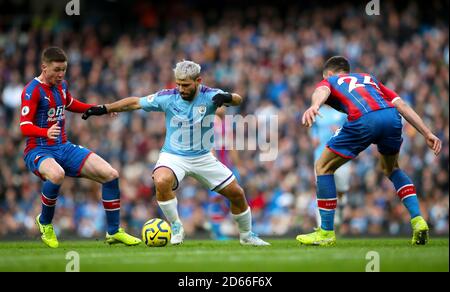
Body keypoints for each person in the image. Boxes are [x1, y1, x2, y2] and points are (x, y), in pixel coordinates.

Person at [82, 60, 270, 246]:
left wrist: (227, 97)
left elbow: (238, 99)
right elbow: (135, 103)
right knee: (161, 180)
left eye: (186, 84)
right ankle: (176, 226)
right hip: (174, 156)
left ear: (198, 80)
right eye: (178, 84)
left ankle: (247, 236)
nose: (181, 88)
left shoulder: (211, 95)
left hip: (203, 157)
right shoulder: (168, 97)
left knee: (237, 193)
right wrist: (104, 108)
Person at [298, 56, 442, 246]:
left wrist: (315, 105)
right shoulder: (369, 78)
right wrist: (427, 132)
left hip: (363, 119)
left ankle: (325, 232)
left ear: (330, 74)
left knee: (323, 166)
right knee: (392, 168)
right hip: (391, 118)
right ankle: (418, 220)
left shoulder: (331, 80)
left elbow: (322, 89)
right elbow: (401, 105)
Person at [20, 47, 141, 248]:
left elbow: (70, 103)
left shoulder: (62, 85)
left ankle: (113, 232)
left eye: (64, 70)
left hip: (63, 147)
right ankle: (45, 223)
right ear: (44, 67)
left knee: (110, 174)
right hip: (38, 150)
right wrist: (45, 132)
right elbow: (24, 126)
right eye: (57, 70)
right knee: (57, 174)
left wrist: (99, 110)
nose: (60, 75)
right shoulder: (31, 91)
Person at [311, 105, 350, 229]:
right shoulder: (318, 112)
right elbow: (313, 127)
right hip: (321, 155)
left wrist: (341, 131)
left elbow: (353, 127)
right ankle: (321, 226)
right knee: (321, 189)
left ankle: (341, 203)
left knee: (341, 189)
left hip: (340, 155)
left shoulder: (343, 110)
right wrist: (314, 137)